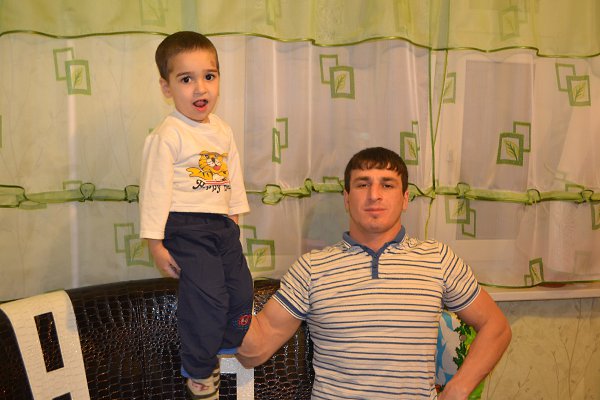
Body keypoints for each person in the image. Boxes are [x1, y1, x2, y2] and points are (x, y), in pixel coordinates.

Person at [236, 147, 511, 400]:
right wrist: (222, 273)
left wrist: (458, 388)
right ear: (347, 199)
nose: (374, 195)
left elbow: (496, 327)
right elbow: (253, 351)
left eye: (387, 185)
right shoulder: (312, 268)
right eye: (362, 184)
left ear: (405, 199)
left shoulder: (437, 258)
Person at [139, 31, 253, 400]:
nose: (200, 88)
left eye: (209, 76)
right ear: (166, 87)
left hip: (222, 226)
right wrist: (155, 244)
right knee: (210, 299)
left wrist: (234, 217)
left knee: (241, 292)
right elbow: (154, 191)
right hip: (186, 226)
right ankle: (200, 370)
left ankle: (223, 345)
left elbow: (233, 176)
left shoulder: (223, 130)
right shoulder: (168, 134)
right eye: (186, 79)